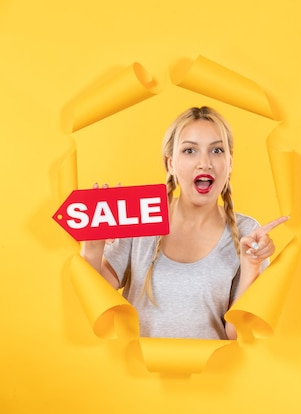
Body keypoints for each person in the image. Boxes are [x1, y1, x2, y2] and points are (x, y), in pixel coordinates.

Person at [80, 106, 287, 340]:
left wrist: (252, 266)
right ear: (171, 163)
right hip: (137, 373)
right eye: (190, 150)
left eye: (217, 150)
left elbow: (237, 334)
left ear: (229, 164)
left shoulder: (248, 233)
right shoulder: (140, 216)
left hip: (213, 374)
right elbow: (97, 305)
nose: (204, 163)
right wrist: (93, 245)